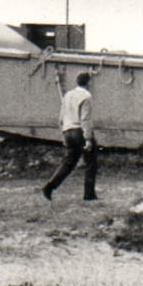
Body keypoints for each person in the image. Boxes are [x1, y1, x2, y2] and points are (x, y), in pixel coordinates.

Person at [42, 71, 98, 202]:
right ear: (89, 82)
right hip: (80, 131)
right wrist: (88, 139)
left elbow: (61, 117)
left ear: (77, 82)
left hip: (68, 131)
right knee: (91, 163)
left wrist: (63, 133)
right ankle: (89, 194)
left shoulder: (68, 95)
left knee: (68, 162)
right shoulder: (86, 96)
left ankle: (49, 186)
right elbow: (85, 119)